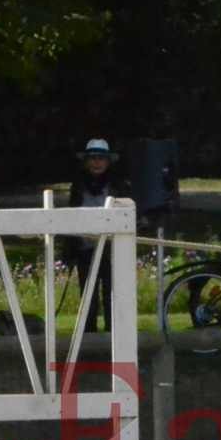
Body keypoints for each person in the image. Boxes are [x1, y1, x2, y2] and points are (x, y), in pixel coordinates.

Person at [65, 138, 127, 333]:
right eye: (93, 158)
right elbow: (72, 215)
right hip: (85, 247)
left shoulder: (117, 184)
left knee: (112, 293)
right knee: (88, 294)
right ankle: (89, 334)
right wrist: (69, 249)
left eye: (101, 158)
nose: (97, 163)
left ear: (108, 162)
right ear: (86, 161)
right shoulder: (78, 185)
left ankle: (113, 333)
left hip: (112, 248)